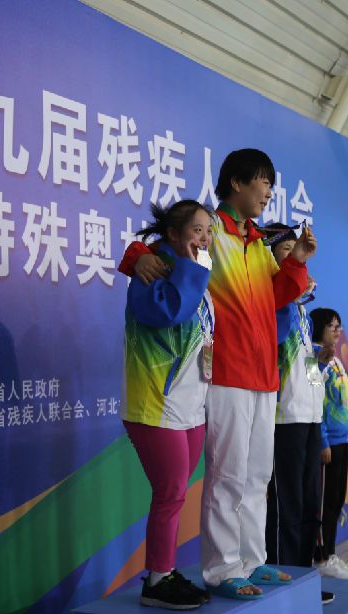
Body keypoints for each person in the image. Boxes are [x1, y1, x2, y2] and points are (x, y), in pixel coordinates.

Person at [119, 149, 316, 600]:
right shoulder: (210, 233)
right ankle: (223, 567)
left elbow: (273, 298)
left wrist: (296, 261)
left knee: (257, 475)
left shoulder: (257, 244)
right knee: (228, 475)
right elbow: (160, 249)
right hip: (226, 372)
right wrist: (135, 257)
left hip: (264, 374)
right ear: (237, 183)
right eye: (263, 182)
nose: (269, 192)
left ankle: (252, 559)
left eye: (271, 184)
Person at [122, 199, 215, 610]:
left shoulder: (193, 273)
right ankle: (157, 580)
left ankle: (166, 571)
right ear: (173, 234)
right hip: (155, 404)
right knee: (170, 492)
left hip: (190, 404)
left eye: (208, 231)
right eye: (197, 230)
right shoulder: (151, 271)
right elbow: (170, 310)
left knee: (176, 495)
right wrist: (188, 266)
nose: (205, 239)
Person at [260, 225, 334, 605]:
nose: (294, 256)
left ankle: (304, 578)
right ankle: (283, 576)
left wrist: (320, 364)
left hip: (309, 417)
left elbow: (305, 368)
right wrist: (290, 296)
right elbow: (270, 347)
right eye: (286, 251)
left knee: (308, 505)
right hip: (283, 418)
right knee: (285, 505)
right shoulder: (272, 301)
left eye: (297, 250)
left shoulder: (302, 312)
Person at [309, 307, 348, 579]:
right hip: (328, 445)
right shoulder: (314, 359)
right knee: (325, 503)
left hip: (343, 441)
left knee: (337, 501)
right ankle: (320, 557)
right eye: (332, 326)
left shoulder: (335, 360)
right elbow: (316, 403)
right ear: (319, 328)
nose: (338, 331)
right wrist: (323, 441)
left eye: (339, 326)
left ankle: (331, 553)